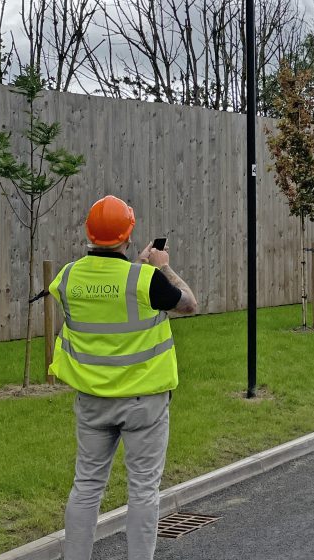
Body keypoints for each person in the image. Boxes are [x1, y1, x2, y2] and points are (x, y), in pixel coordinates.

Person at [48, 194, 197, 560]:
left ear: (88, 233)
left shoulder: (66, 278)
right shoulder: (145, 279)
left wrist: (139, 267)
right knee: (144, 490)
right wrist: (161, 266)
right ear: (128, 237)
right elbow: (190, 304)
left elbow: (105, 289)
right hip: (143, 404)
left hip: (92, 401)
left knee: (86, 488)